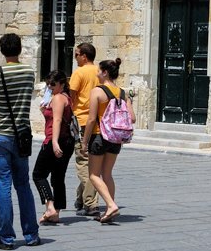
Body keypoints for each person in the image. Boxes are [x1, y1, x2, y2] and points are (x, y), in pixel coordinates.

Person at [0, 33, 40, 250]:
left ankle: (6, 237)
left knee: (3, 185)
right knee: (23, 184)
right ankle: (31, 234)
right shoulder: (29, 72)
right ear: (20, 49)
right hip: (21, 134)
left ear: (2, 51)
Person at [82, 58, 134, 224]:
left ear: (105, 72)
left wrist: (84, 141)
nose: (97, 73)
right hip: (116, 138)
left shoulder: (97, 91)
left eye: (99, 71)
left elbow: (91, 120)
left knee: (93, 175)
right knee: (107, 174)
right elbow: (132, 118)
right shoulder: (123, 93)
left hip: (99, 136)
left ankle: (111, 205)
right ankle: (109, 210)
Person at [32, 70, 75, 225]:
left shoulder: (57, 98)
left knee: (38, 174)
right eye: (48, 83)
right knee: (58, 177)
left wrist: (54, 142)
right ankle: (56, 213)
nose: (50, 87)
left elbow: (56, 121)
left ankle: (49, 206)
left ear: (62, 84)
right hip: (67, 141)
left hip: (54, 140)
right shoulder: (66, 98)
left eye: (53, 84)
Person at [68, 42, 100, 216]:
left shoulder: (78, 73)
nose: (75, 57)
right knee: (92, 161)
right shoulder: (100, 72)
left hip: (81, 121)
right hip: (98, 122)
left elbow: (72, 97)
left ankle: (90, 203)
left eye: (76, 54)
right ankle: (81, 198)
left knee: (83, 162)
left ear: (84, 56)